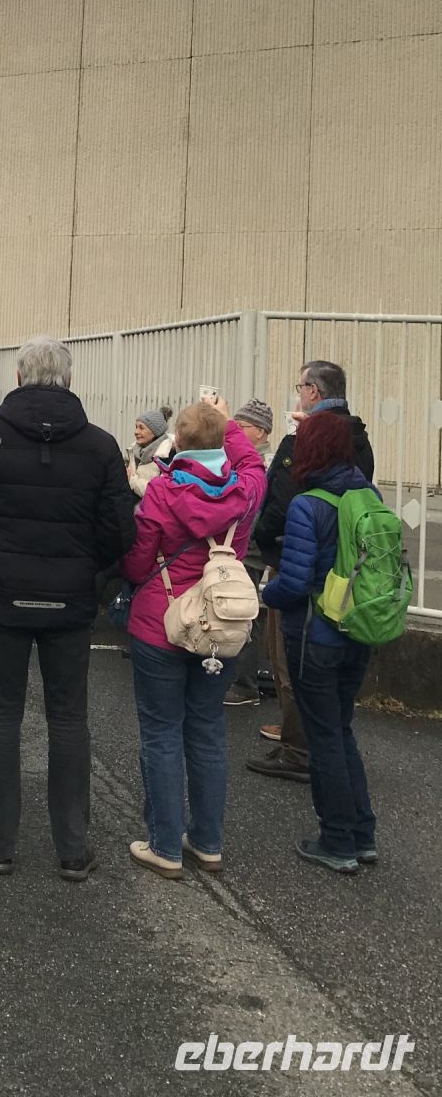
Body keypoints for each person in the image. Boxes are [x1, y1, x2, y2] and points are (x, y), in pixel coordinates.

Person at [0, 337, 136, 881]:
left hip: (4, 597)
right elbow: (122, 532)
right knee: (68, 719)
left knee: (2, 713)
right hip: (70, 601)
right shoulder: (100, 445)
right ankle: (72, 850)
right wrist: (90, 572)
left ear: (19, 376)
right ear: (68, 379)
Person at [119, 399, 267, 878]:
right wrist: (229, 427)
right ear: (224, 441)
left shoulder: (162, 490)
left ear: (176, 441)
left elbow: (139, 561)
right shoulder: (244, 491)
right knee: (206, 733)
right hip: (221, 623)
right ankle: (207, 842)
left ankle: (164, 844)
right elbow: (251, 466)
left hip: (162, 622)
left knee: (161, 734)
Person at [260, 411, 379, 874]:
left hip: (315, 634)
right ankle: (362, 834)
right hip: (359, 627)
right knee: (342, 728)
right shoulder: (367, 492)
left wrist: (263, 594)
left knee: (324, 735)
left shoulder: (308, 504)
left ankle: (337, 841)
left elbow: (293, 582)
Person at [247, 360, 374, 785]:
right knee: (332, 690)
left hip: (296, 562)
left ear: (314, 392)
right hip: (345, 577)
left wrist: (267, 548)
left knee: (290, 662)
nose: (298, 393)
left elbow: (278, 504)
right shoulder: (358, 438)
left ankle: (299, 751)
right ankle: (311, 745)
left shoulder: (304, 440)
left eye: (301, 386)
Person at [224, 399, 276, 708]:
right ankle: (240, 678)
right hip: (243, 544)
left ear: (259, 431)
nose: (236, 432)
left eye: (241, 426)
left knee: (243, 611)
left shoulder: (263, 464)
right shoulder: (246, 459)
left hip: (250, 546)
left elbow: (252, 509)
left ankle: (245, 683)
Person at [124, 407, 173, 500]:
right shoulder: (133, 451)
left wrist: (132, 481)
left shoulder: (167, 456)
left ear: (155, 432)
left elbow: (158, 492)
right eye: (136, 427)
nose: (136, 432)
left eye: (141, 428)